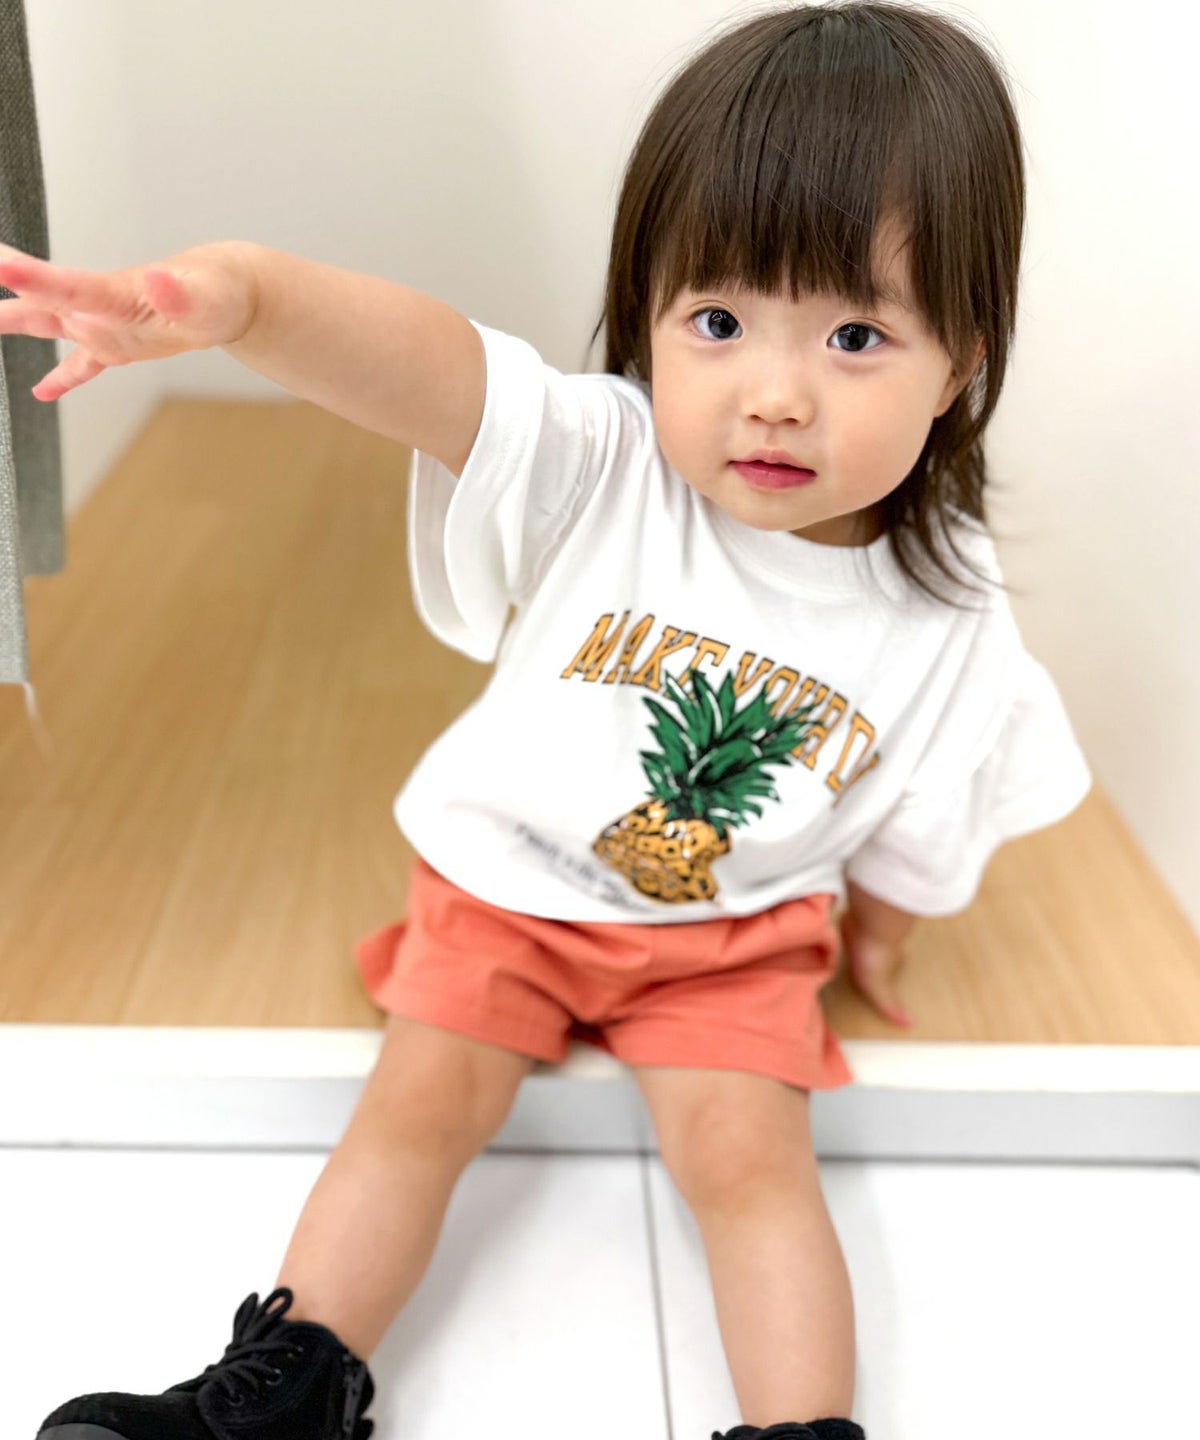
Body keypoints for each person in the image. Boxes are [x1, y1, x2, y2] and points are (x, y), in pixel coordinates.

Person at [7, 4, 1093, 1439]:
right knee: (415, 1110)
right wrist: (247, 300)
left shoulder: (948, 608)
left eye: (854, 335)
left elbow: (929, 796)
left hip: (731, 929)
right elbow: (424, 363)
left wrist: (879, 929)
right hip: (504, 884)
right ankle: (283, 1393)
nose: (774, 395)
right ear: (647, 317)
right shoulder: (604, 458)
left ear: (962, 363)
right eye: (718, 323)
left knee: (752, 1168)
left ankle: (804, 1431)